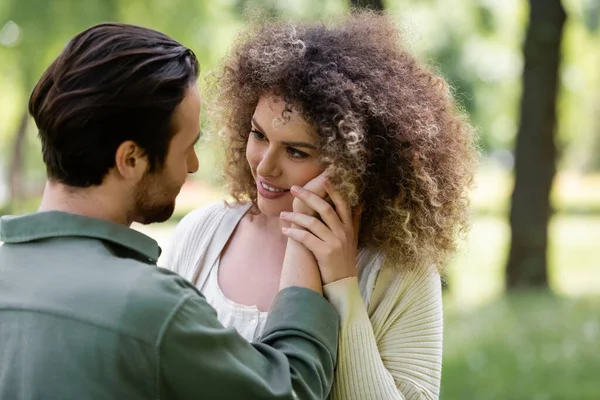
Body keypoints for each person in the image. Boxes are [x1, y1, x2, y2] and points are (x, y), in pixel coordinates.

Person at [0, 22, 341, 400]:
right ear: (131, 158)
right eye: (186, 147)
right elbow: (292, 389)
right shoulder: (153, 311)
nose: (194, 165)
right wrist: (300, 249)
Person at [164, 12, 478, 400]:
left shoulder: (399, 272)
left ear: (355, 161)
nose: (264, 164)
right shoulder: (203, 234)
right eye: (258, 134)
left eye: (296, 151)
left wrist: (342, 286)